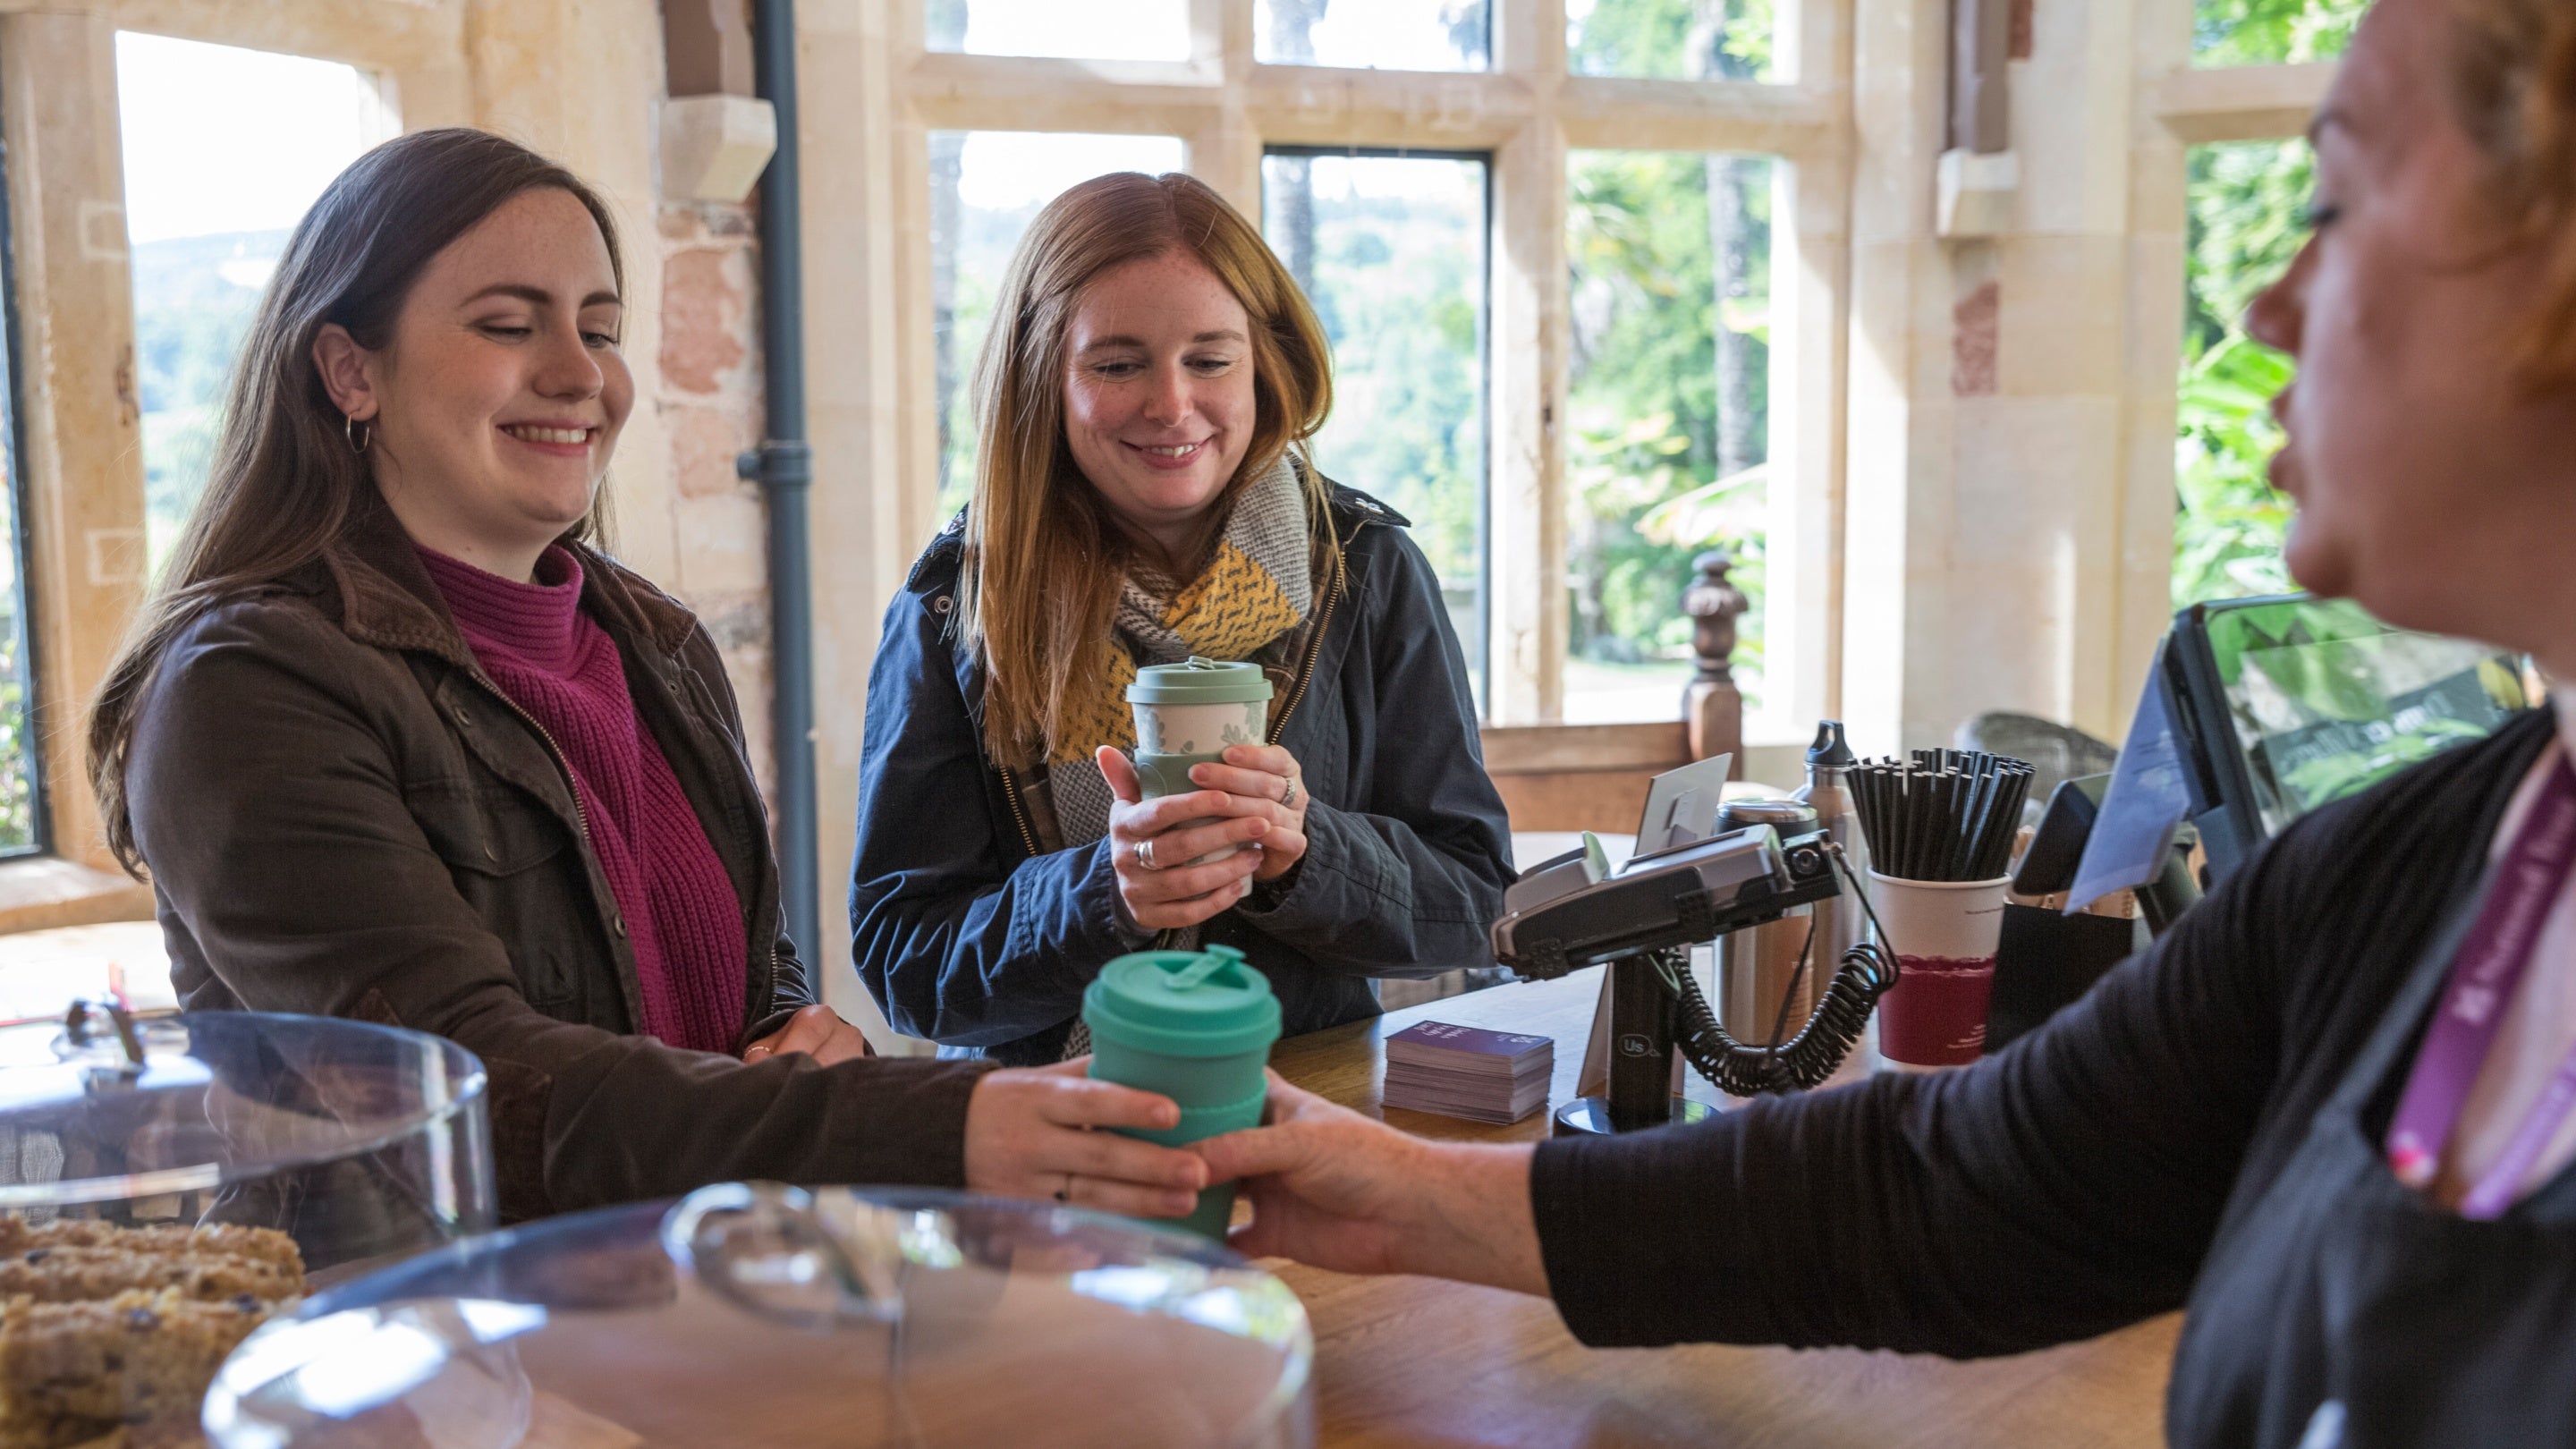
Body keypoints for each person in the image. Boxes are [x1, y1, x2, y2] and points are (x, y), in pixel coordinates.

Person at [1196, 1, 2576, 1443]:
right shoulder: (2423, 859)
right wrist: (1397, 1190)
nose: (2268, 306)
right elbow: (1963, 1188)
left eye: (2338, 203)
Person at [89, 129, 1209, 1225]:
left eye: (599, 327)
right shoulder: (247, 687)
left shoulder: (652, 641)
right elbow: (472, 1096)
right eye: (507, 324)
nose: (579, 373)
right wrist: (922, 1121)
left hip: (679, 1302)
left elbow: (736, 982)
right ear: (350, 369)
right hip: (410, 1355)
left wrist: (802, 1039)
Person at [851, 171, 1512, 1065]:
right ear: (1043, 375)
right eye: (1117, 364)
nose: (1171, 405)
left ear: (1264, 365)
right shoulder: (952, 608)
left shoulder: (1366, 572)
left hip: (1309, 1115)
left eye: (1210, 359)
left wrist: (1306, 850)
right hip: (1053, 1132)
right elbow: (904, 967)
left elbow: (1476, 905)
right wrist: (1103, 894)